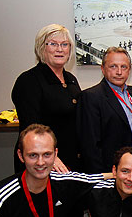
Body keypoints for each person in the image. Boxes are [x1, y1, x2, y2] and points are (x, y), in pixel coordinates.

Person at [12, 24, 81, 173]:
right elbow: (30, 128)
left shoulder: (71, 80)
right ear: (41, 48)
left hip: (69, 161)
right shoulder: (29, 81)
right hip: (42, 163)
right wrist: (51, 158)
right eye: (53, 44)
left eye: (64, 44)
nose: (60, 49)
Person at [78, 47, 132, 173]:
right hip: (108, 172)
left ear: (129, 70)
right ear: (103, 69)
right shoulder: (91, 97)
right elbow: (90, 146)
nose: (119, 72)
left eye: (123, 67)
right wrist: (102, 178)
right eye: (113, 66)